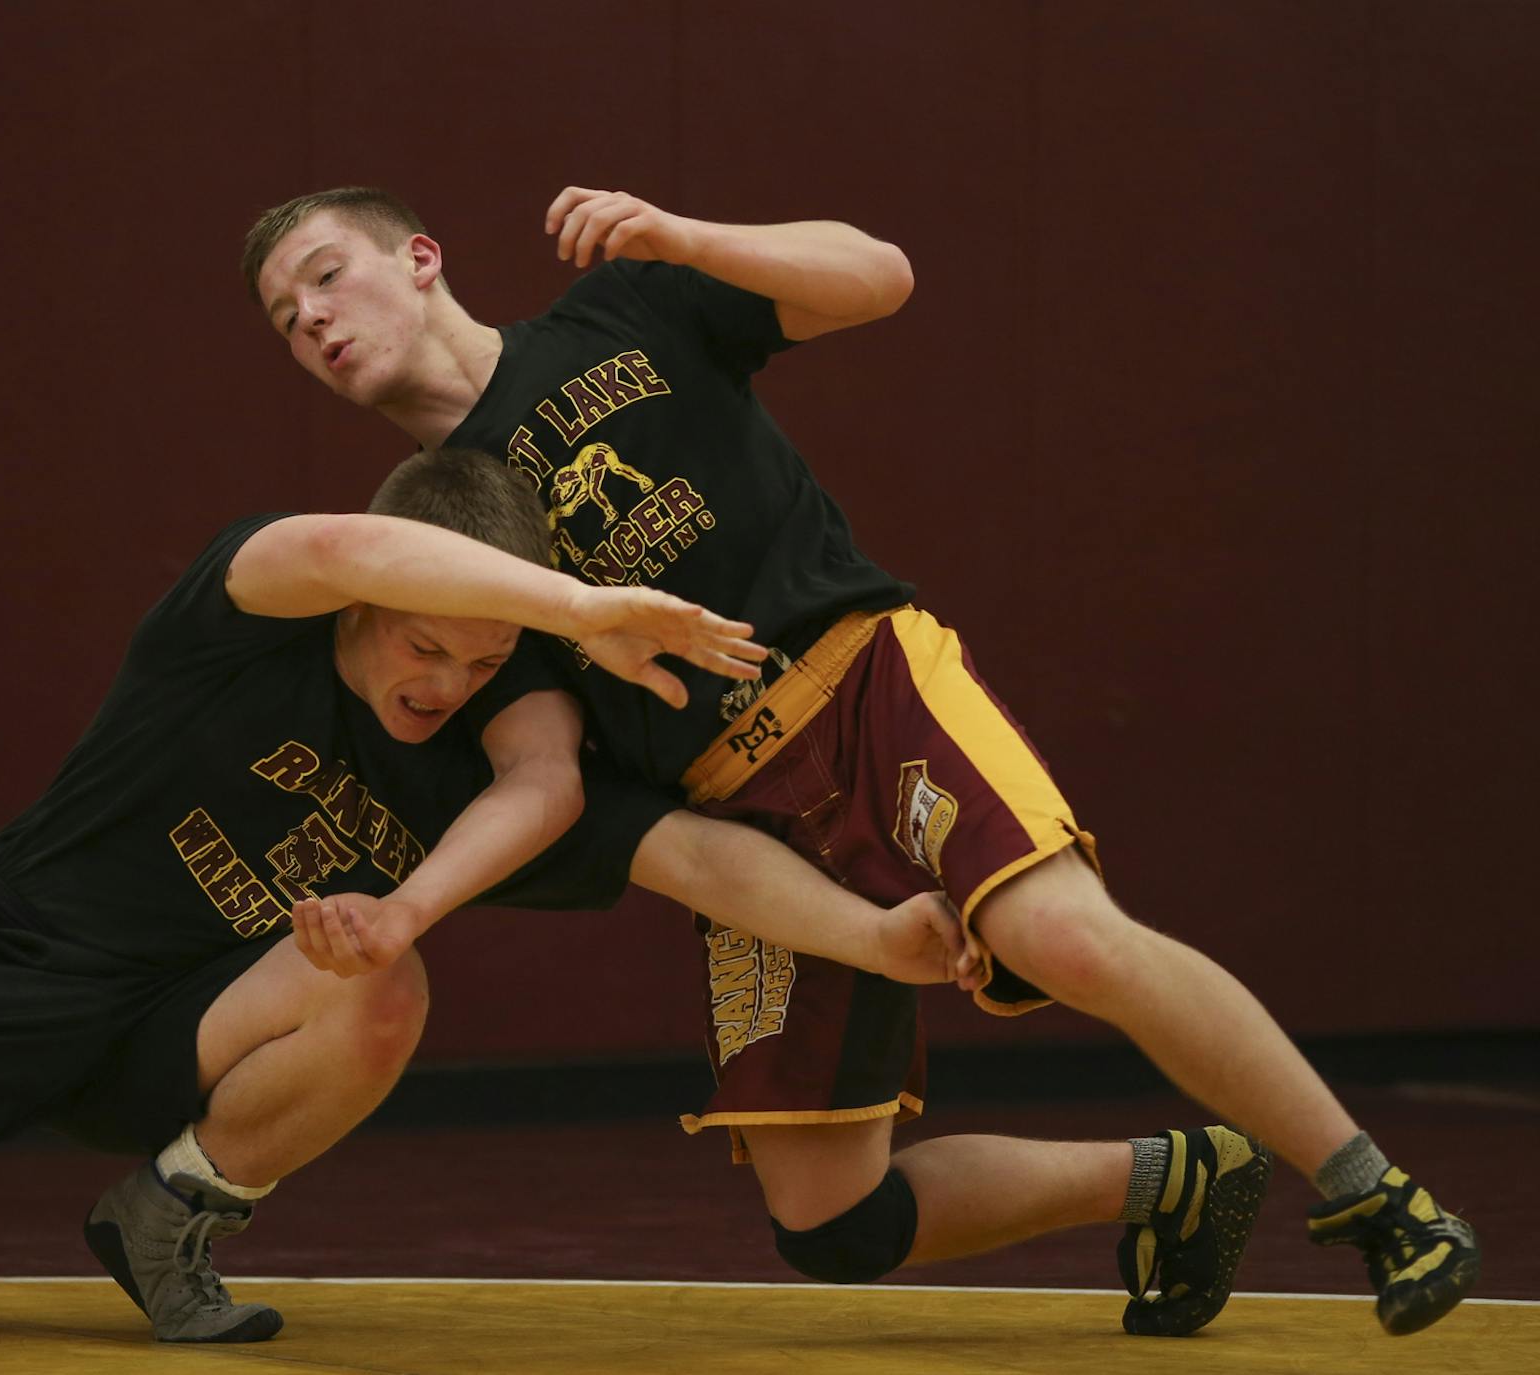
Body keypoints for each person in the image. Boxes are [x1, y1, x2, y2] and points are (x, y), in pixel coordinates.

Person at [243, 187, 1482, 1337]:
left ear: (419, 259)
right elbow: (542, 766)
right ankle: (1174, 1177)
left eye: (325, 275)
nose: (309, 317)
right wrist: (406, 895)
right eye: (285, 318)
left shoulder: (623, 308)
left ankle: (1378, 1194)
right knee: (833, 1223)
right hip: (740, 812)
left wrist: (684, 234)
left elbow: (878, 276)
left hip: (865, 686)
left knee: (1065, 935)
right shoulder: (427, 534)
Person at [0, 449, 973, 1345]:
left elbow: (602, 812)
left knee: (387, 986)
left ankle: (167, 1216)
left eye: (481, 660)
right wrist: (579, 604)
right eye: (423, 645)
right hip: (7, 961)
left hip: (185, 1025)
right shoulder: (243, 614)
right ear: (368, 608)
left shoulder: (499, 726)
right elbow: (332, 537)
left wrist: (875, 932)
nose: (445, 681)